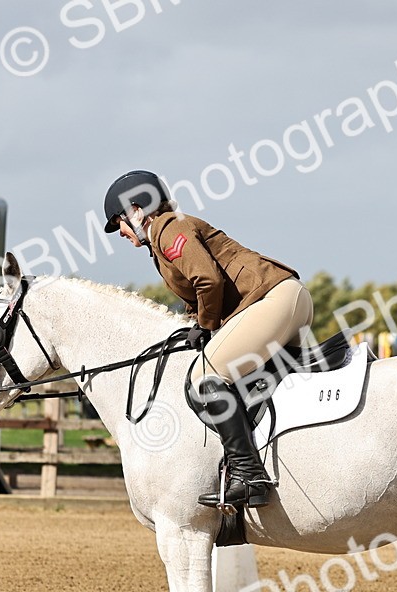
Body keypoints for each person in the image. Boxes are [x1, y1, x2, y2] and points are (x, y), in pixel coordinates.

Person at [104, 170, 314, 510]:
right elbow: (201, 288)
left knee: (205, 376)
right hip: (285, 300)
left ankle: (248, 475)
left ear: (137, 209)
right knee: (250, 384)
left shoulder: (168, 228)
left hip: (272, 300)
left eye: (119, 223)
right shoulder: (165, 237)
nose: (122, 234)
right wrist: (196, 322)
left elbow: (208, 281)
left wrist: (205, 324)